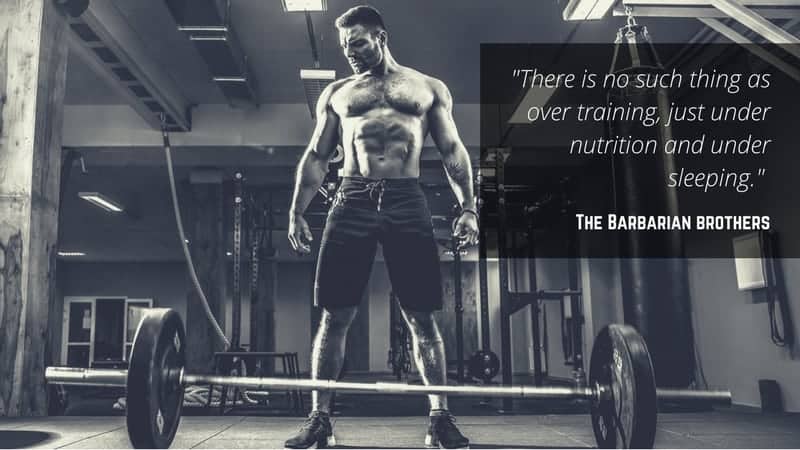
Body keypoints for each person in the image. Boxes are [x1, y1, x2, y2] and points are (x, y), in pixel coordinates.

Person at [286, 5, 478, 449]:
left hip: (406, 198)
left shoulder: (427, 88)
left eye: (356, 43)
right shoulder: (337, 93)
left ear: (380, 37)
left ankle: (439, 417)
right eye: (343, 46)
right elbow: (317, 156)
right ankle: (319, 418)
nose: (349, 52)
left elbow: (452, 149)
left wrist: (468, 205)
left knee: (421, 315)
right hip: (351, 196)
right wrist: (297, 210)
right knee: (335, 315)